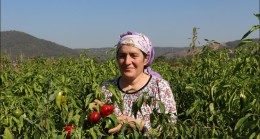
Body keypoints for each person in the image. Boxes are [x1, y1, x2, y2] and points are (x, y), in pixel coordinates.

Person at [94, 31, 177, 136]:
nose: (127, 61)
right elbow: (98, 130)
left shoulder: (159, 87)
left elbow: (169, 129)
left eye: (134, 55)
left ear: (146, 59)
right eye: (122, 56)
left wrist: (139, 126)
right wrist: (98, 116)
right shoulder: (107, 88)